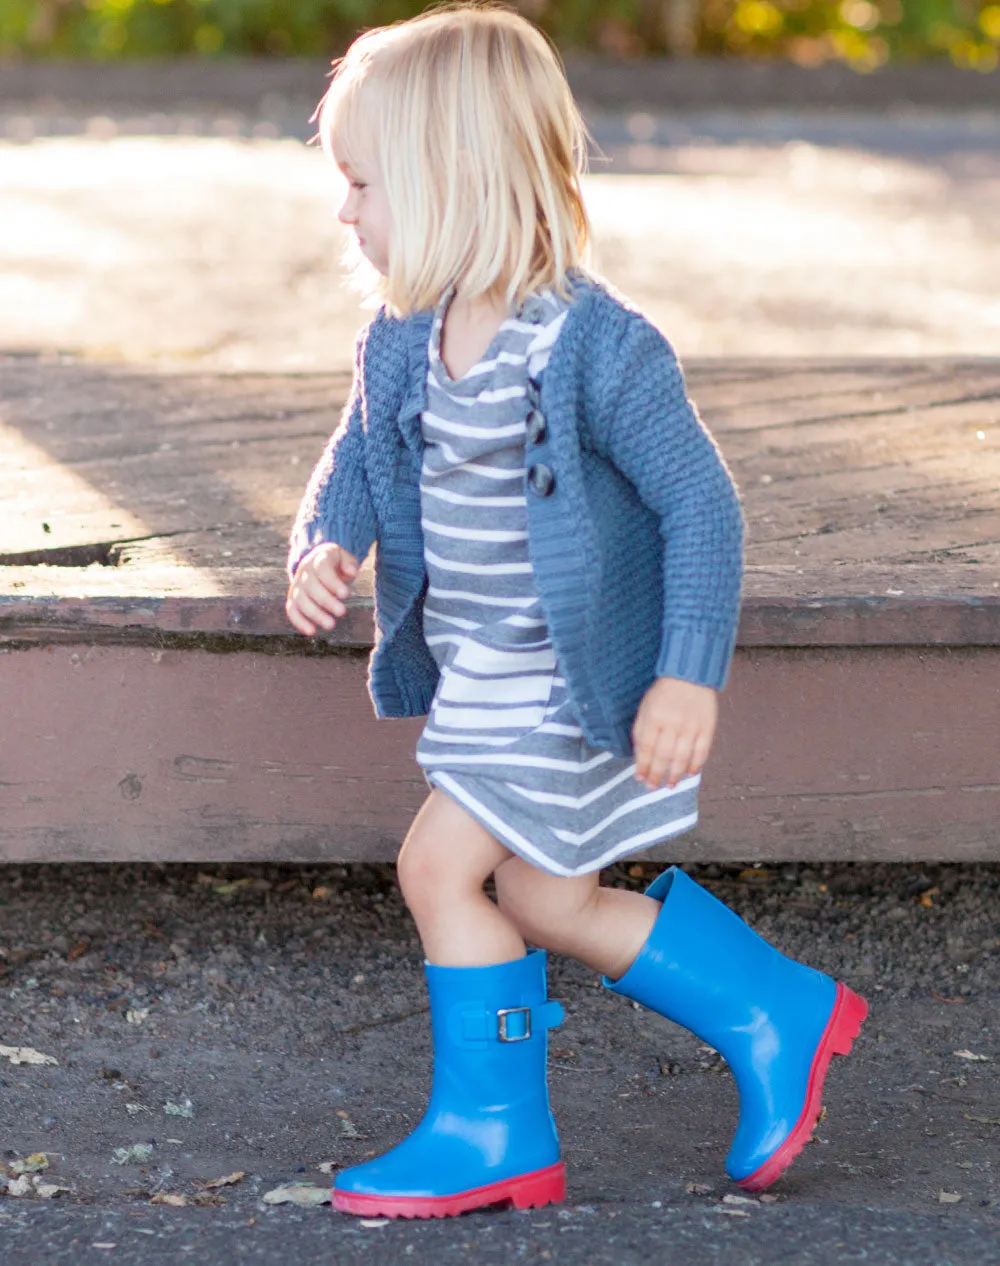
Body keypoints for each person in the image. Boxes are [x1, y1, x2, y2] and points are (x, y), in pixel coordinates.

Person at [286, 0, 867, 1221]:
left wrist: (687, 672)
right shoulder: (402, 338)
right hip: (486, 675)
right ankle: (773, 1008)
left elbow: (702, 510)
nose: (345, 211)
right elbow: (354, 465)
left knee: (438, 866)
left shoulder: (598, 348)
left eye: (362, 183)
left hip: (569, 685)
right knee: (543, 898)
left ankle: (492, 1133)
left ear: (452, 181)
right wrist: (326, 543)